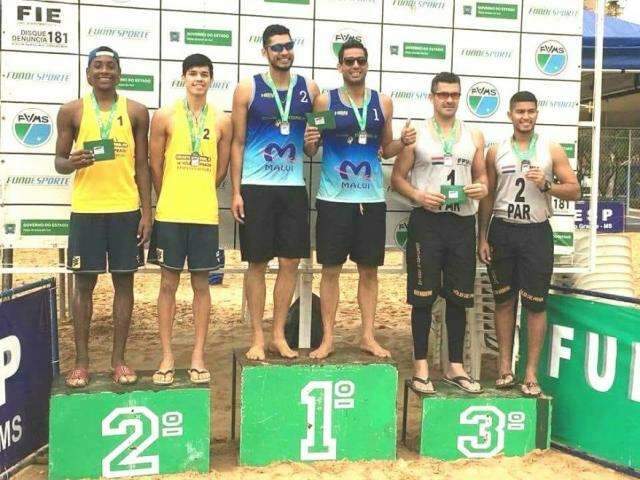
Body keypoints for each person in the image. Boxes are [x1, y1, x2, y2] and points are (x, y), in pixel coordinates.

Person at [304, 39, 416, 359]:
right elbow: (311, 149)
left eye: (360, 61)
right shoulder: (325, 101)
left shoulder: (383, 103)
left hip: (371, 200)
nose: (355, 66)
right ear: (340, 66)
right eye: (349, 61)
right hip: (334, 200)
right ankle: (327, 339)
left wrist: (404, 143)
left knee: (369, 271)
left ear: (367, 64)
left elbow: (386, 148)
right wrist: (310, 141)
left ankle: (367, 336)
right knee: (331, 270)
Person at [54, 46, 152, 387]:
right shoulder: (72, 111)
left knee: (124, 282)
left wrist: (147, 212)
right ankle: (81, 362)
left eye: (111, 65)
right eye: (98, 66)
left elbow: (142, 164)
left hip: (125, 210)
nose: (105, 71)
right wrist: (73, 162)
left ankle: (119, 361)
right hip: (87, 211)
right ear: (88, 74)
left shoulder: (137, 111)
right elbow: (59, 162)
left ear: (120, 73)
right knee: (84, 284)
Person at [478, 91, 580, 397]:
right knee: (504, 300)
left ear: (537, 114)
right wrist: (482, 236)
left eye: (531, 111)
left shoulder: (551, 150)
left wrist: (547, 184)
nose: (525, 117)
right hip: (503, 231)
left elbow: (574, 191)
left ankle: (531, 372)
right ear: (510, 114)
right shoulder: (496, 151)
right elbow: (487, 196)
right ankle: (504, 368)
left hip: (536, 232)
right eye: (520, 111)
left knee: (536, 304)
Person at [391, 72, 487, 394]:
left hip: (461, 223)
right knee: (422, 297)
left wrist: (479, 188)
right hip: (427, 223)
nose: (449, 99)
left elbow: (483, 179)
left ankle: (454, 366)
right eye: (443, 94)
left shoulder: (473, 135)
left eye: (454, 94)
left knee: (459, 297)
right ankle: (421, 367)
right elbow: (397, 179)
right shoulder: (416, 134)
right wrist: (418, 196)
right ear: (432, 97)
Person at [231, 24, 320, 360]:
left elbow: (314, 146)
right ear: (265, 52)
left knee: (290, 263)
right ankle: (256, 337)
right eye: (276, 48)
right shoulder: (246, 89)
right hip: (256, 187)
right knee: (256, 264)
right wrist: (236, 192)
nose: (284, 52)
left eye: (288, 46)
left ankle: (278, 335)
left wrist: (313, 144)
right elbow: (238, 143)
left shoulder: (310, 89)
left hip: (292, 188)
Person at [148, 54, 232, 385]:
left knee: (201, 286)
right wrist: (171, 194)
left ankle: (198, 355)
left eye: (204, 74)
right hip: (170, 213)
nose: (199, 79)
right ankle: (167, 355)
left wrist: (198, 190)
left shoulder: (222, 120)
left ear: (211, 79)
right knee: (168, 285)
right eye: (193, 73)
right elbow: (155, 166)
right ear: (184, 77)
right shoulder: (165, 115)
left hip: (204, 215)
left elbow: (220, 171)